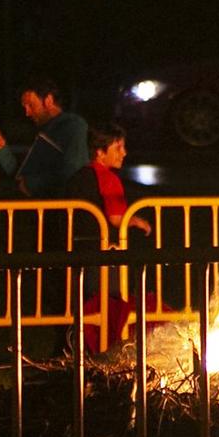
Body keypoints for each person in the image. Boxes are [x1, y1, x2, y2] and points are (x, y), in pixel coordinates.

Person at [66, 123, 155, 353]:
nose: (124, 153)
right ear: (100, 152)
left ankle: (77, 351)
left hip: (76, 254)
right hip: (104, 256)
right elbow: (116, 218)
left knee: (83, 308)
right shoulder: (107, 177)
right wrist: (137, 221)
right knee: (111, 306)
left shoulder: (77, 178)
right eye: (118, 147)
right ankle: (111, 352)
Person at [0, 78, 90, 199]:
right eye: (25, 107)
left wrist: (32, 185)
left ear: (48, 100)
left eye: (31, 105)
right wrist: (2, 150)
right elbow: (22, 175)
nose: (27, 112)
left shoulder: (73, 126)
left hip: (63, 210)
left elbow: (72, 171)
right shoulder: (42, 132)